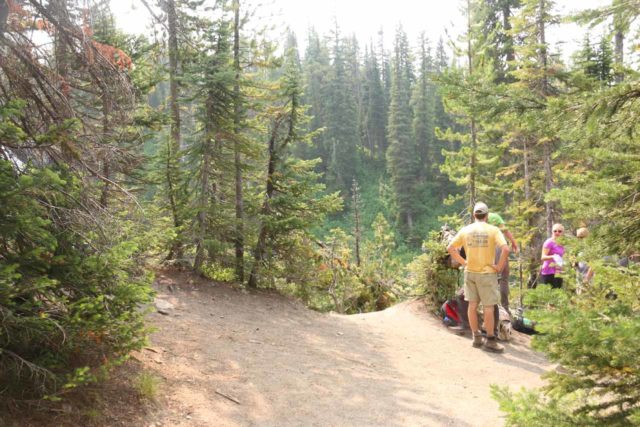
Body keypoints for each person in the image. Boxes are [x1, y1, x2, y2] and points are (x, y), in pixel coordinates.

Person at [447, 202, 509, 353]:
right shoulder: (493, 230)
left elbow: (450, 248)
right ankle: (490, 340)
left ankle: (476, 337)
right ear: (487, 216)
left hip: (470, 272)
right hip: (487, 274)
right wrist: (499, 267)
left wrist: (464, 262)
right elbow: (506, 248)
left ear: (474, 215)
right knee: (488, 307)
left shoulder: (466, 230)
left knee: (472, 305)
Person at [488, 212, 518, 314]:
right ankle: (504, 307)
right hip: (500, 246)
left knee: (493, 276)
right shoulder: (494, 216)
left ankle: (491, 305)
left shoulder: (479, 220)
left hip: (487, 248)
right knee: (503, 277)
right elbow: (505, 230)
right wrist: (514, 242)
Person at [539, 223, 565, 289]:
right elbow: (543, 257)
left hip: (558, 272)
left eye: (559, 231)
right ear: (552, 232)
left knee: (558, 295)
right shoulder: (549, 242)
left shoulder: (562, 243)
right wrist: (553, 256)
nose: (557, 232)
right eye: (555, 231)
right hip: (548, 272)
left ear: (562, 233)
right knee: (548, 296)